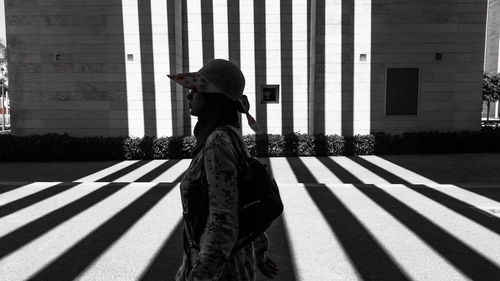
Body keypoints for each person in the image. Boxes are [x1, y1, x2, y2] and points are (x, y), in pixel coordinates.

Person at [168, 59, 277, 281]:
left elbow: (222, 221)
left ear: (212, 98)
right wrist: (260, 250)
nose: (189, 96)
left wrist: (198, 277)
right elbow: (242, 202)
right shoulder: (231, 135)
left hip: (220, 272)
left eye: (195, 90)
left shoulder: (217, 141)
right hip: (233, 262)